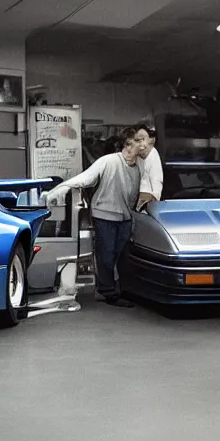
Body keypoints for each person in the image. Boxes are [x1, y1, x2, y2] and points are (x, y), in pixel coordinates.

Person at [45, 127, 144, 307]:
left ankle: (117, 290)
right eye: (133, 143)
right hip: (105, 214)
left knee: (122, 255)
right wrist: (61, 189)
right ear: (125, 145)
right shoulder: (108, 161)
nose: (136, 147)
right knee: (105, 255)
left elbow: (134, 194)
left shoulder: (138, 167)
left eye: (137, 143)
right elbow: (86, 178)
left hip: (125, 217)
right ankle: (108, 293)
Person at [134, 124, 163, 210]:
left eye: (143, 139)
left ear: (152, 140)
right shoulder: (134, 155)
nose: (140, 144)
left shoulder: (154, 158)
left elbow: (156, 188)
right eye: (137, 140)